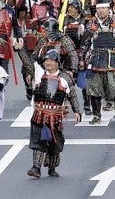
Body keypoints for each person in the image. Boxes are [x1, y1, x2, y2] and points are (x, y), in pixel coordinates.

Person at [27, 49, 81, 178]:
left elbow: (72, 95)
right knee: (37, 141)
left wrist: (77, 111)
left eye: (51, 61)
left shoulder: (64, 78)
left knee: (55, 143)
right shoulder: (38, 74)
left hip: (55, 116)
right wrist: (19, 50)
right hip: (39, 114)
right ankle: (36, 167)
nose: (49, 63)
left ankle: (52, 167)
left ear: (57, 63)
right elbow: (28, 63)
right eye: (46, 61)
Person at [81, 0, 115, 124]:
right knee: (94, 89)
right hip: (96, 59)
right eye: (99, 8)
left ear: (108, 9)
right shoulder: (90, 24)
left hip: (112, 59)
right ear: (96, 9)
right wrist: (81, 58)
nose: (102, 11)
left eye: (104, 8)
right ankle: (97, 115)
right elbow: (85, 43)